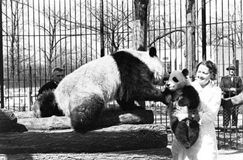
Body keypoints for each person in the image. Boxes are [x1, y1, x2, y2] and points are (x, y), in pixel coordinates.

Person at [171, 60, 222, 160]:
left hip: (205, 135)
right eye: (199, 72)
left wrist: (190, 115)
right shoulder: (188, 87)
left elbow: (210, 115)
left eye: (205, 73)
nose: (200, 75)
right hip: (185, 132)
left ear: (211, 74)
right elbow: (178, 109)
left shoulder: (215, 91)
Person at [219, 65, 242, 130]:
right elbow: (221, 87)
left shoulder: (238, 78)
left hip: (236, 98)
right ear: (228, 70)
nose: (231, 71)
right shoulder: (224, 78)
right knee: (226, 112)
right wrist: (229, 90)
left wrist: (235, 90)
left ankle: (234, 127)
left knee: (235, 113)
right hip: (227, 98)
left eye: (233, 69)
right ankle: (225, 126)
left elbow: (241, 88)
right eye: (230, 69)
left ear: (235, 71)